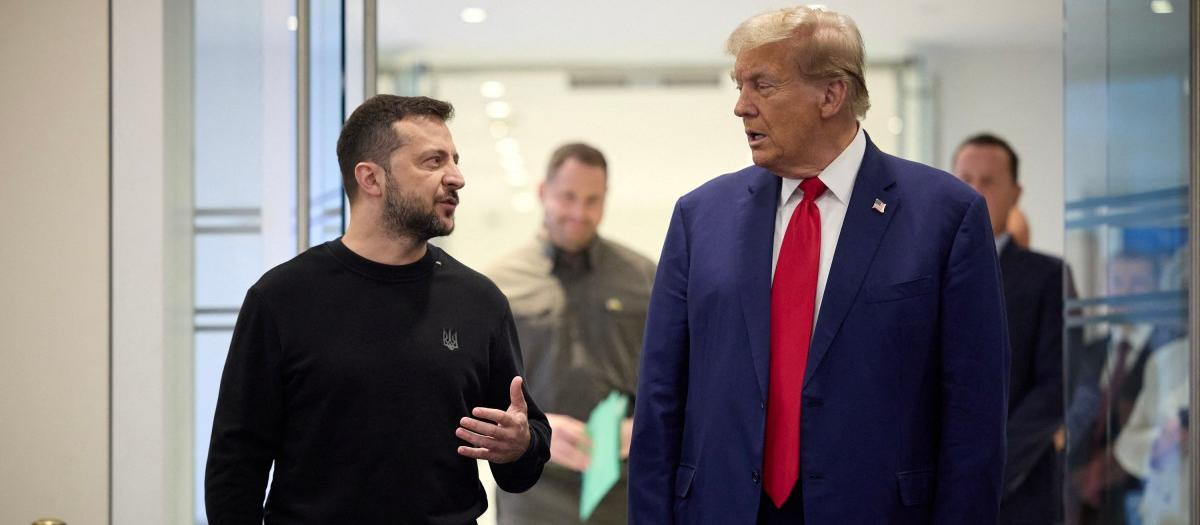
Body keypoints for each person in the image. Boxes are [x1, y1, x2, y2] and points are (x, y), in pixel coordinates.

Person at [629, 6, 1009, 524]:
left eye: (762, 85)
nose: (741, 107)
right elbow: (659, 400)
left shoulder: (946, 215)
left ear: (831, 95)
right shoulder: (699, 218)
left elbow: (975, 418)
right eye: (740, 86)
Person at [204, 95, 551, 523]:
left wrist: (522, 445)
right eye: (433, 161)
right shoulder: (281, 298)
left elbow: (520, 458)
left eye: (455, 160)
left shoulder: (479, 301)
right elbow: (235, 465)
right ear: (371, 178)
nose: (457, 177)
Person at [489, 143, 656, 524]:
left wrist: (644, 424)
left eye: (592, 200)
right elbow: (475, 388)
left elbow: (680, 372)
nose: (579, 213)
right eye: (568, 197)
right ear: (543, 192)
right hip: (532, 484)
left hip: (624, 481)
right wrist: (538, 427)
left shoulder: (643, 277)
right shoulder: (499, 283)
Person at [953, 133, 1065, 524]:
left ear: (1015, 194)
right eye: (964, 179)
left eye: (988, 182)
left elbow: (1058, 386)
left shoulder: (1048, 277)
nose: (974, 192)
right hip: (939, 490)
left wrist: (990, 465)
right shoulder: (925, 274)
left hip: (1020, 491)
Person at [1066, 251, 1168, 524]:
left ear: (1156, 290)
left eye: (1137, 283)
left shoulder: (1167, 353)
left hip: (1140, 501)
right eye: (1117, 281)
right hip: (1080, 503)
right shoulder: (1089, 353)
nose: (1125, 292)